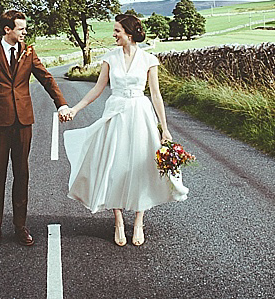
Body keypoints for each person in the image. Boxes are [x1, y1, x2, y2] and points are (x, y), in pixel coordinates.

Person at [62, 14, 188, 246]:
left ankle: (139, 221)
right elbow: (97, 90)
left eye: (117, 31)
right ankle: (119, 221)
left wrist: (165, 129)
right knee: (113, 165)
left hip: (140, 114)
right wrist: (76, 109)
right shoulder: (110, 58)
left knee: (141, 166)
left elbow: (156, 95)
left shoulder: (149, 59)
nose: (114, 35)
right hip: (115, 113)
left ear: (129, 34)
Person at [0, 9, 71, 250]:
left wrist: (61, 104)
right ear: (7, 29)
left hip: (23, 122)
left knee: (22, 175)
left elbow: (47, 78)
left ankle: (21, 227)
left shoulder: (29, 52)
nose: (24, 32)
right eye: (20, 28)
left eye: (24, 28)